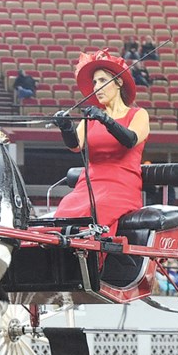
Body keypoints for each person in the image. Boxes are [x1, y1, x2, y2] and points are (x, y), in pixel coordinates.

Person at [52, 49, 150, 232]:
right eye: (95, 82)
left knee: (97, 209)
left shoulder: (138, 114)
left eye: (103, 81)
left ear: (119, 82)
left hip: (121, 187)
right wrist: (66, 128)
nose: (97, 86)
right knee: (66, 208)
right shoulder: (91, 118)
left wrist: (106, 120)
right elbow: (75, 146)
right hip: (88, 185)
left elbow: (130, 140)